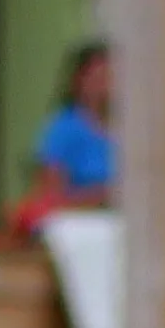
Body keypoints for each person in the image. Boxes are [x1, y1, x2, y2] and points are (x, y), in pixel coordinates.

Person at [28, 42, 115, 208]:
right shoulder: (63, 129)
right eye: (97, 79)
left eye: (108, 79)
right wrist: (100, 195)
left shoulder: (123, 129)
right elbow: (50, 194)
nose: (103, 87)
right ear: (79, 80)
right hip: (79, 221)